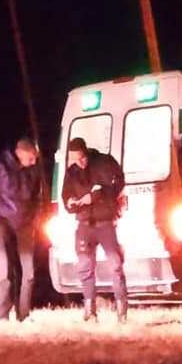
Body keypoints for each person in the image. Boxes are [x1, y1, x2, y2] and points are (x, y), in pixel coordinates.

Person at [61, 137, 128, 322]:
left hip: (105, 222)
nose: (79, 163)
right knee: (85, 267)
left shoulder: (105, 162)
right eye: (75, 159)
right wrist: (70, 202)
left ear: (86, 151)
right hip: (84, 223)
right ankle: (90, 310)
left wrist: (97, 196)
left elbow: (118, 183)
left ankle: (122, 308)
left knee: (115, 264)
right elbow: (65, 194)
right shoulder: (72, 171)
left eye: (82, 158)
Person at [0, 138, 41, 321]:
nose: (34, 162)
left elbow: (38, 196)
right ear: (20, 152)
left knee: (28, 272)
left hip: (25, 224)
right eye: (31, 158)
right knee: (3, 270)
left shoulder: (33, 169)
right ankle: (2, 316)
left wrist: (34, 219)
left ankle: (24, 314)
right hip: (2, 223)